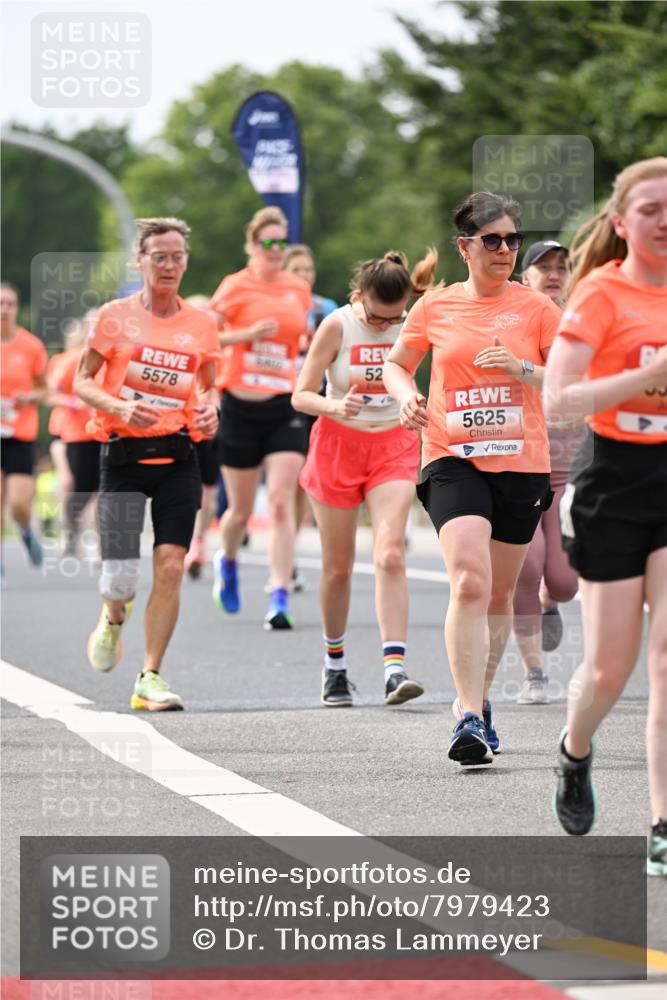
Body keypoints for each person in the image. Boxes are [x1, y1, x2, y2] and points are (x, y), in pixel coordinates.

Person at [383, 192, 560, 765]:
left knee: (501, 594)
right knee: (468, 581)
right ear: (465, 247)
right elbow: (397, 364)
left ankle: (480, 704)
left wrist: (522, 369)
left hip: (521, 462)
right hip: (450, 456)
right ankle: (464, 713)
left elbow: (570, 378)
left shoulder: (536, 308)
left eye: (513, 240)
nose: (506, 250)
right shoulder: (435, 306)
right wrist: (407, 397)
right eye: (493, 240)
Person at [544, 157, 667, 877]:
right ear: (621, 222)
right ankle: (574, 750)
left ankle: (661, 822)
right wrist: (645, 376)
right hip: (612, 486)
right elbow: (559, 398)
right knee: (609, 668)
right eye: (648, 208)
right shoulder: (600, 293)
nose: (663, 219)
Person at [74, 217, 219, 711]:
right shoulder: (114, 317)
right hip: (123, 456)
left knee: (172, 564)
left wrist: (210, 407)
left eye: (177, 256)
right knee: (119, 581)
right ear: (140, 261)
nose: (169, 265)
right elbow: (82, 382)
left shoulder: (201, 323)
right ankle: (113, 617)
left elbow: (209, 385)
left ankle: (149, 676)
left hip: (178, 455)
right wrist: (117, 406)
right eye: (159, 256)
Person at [293, 250, 437, 706]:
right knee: (337, 569)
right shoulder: (337, 324)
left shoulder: (412, 320)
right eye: (376, 317)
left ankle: (394, 670)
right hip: (338, 443)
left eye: (393, 319)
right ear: (359, 299)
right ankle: (334, 666)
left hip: (393, 443)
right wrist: (335, 406)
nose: (384, 326)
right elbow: (300, 395)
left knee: (390, 554)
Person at [209, 206, 312, 630]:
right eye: (266, 242)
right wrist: (245, 336)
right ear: (251, 245)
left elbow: (302, 341)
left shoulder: (297, 289)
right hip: (238, 405)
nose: (274, 250)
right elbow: (207, 337)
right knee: (240, 510)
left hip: (283, 405)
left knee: (282, 503)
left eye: (280, 243)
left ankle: (280, 593)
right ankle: (227, 559)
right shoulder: (235, 287)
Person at [512, 241, 583, 704]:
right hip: (519, 465)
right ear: (525, 278)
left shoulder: (581, 323)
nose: (554, 275)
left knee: (564, 579)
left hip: (566, 470)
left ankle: (549, 601)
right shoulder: (516, 322)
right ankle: (534, 672)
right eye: (544, 268)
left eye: (561, 268)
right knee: (528, 565)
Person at [281, 243, 337, 593]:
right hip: (281, 402)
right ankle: (285, 564)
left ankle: (291, 554)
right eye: (297, 270)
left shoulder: (325, 308)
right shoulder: (274, 305)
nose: (304, 276)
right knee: (282, 487)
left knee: (304, 483)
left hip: (317, 400)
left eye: (308, 270)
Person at [1, 282, 47, 571]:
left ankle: (27, 530)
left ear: (17, 308)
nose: (4, 309)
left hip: (20, 433)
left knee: (19, 503)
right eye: (0, 303)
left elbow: (45, 390)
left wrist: (29, 396)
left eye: (9, 304)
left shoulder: (31, 346)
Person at [47, 316, 101, 557]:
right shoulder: (71, 359)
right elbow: (50, 393)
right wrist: (75, 402)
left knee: (104, 489)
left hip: (107, 432)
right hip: (76, 434)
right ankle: (69, 529)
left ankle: (103, 542)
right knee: (77, 486)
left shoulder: (115, 356)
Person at [182, 295, 221, 580]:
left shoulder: (222, 346)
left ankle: (198, 542)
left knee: (209, 488)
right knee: (185, 489)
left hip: (212, 422)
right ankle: (182, 542)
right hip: (181, 424)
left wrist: (216, 407)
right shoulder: (176, 343)